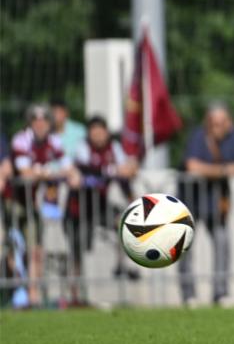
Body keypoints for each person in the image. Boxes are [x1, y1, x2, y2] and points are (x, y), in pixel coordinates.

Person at [177, 102, 234, 307]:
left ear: (229, 123)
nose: (218, 127)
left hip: (216, 204)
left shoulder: (233, 137)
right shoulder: (198, 136)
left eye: (222, 122)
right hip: (190, 201)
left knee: (222, 243)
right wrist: (223, 171)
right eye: (214, 123)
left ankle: (220, 292)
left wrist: (210, 171)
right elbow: (192, 166)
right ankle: (188, 294)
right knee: (184, 248)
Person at [9, 104, 76, 306]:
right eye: (36, 120)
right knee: (11, 248)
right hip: (12, 201)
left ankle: (32, 293)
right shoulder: (21, 140)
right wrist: (48, 172)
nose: (40, 124)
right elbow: (25, 173)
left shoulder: (53, 142)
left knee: (35, 248)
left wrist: (46, 171)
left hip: (32, 205)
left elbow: (70, 170)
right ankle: (16, 289)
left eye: (44, 120)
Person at [66, 115, 138, 302]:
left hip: (100, 204)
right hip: (78, 208)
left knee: (123, 222)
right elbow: (87, 169)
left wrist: (134, 200)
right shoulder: (82, 147)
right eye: (94, 132)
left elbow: (123, 176)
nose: (98, 135)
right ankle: (75, 294)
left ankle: (122, 265)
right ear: (89, 134)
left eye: (101, 131)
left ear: (106, 132)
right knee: (77, 250)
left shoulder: (114, 147)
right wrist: (113, 170)